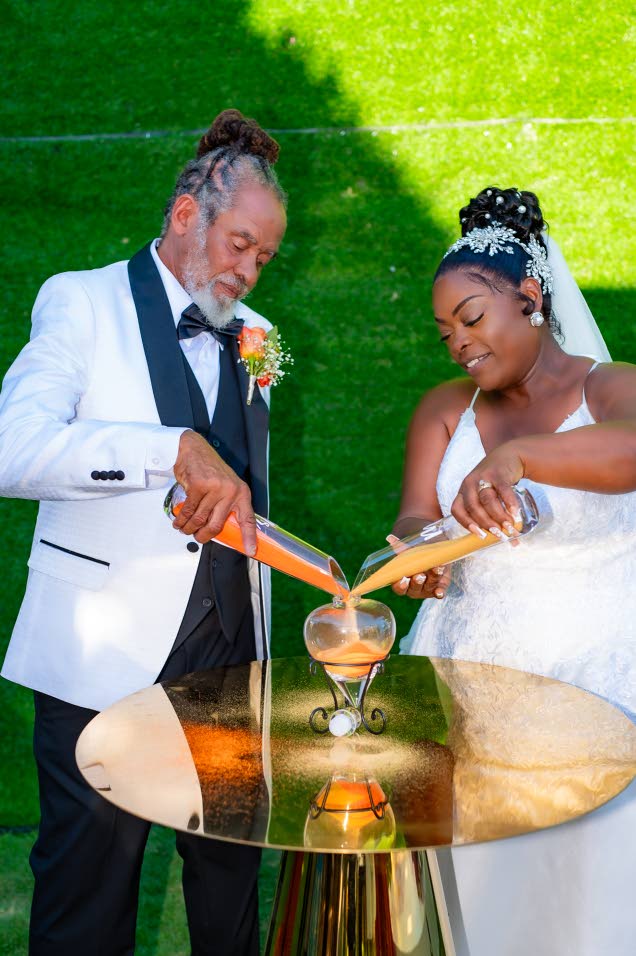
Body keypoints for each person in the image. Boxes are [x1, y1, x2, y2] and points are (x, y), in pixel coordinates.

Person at [0, 109, 287, 955]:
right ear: (186, 214)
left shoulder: (259, 338)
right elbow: (14, 449)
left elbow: (243, 490)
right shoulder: (80, 300)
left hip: (232, 655)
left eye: (265, 257)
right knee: (88, 899)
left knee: (230, 889)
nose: (249, 272)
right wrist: (169, 450)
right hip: (104, 652)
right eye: (240, 245)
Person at [392, 186, 636, 955]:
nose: (459, 344)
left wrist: (521, 455)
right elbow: (413, 517)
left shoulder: (609, 387)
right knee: (484, 902)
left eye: (472, 318)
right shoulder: (444, 409)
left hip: (600, 680)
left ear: (530, 297)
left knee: (591, 899)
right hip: (475, 680)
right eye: (445, 332)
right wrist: (415, 557)